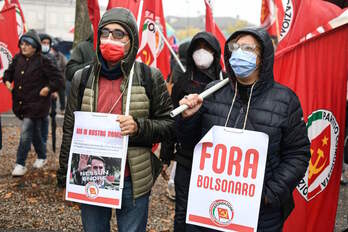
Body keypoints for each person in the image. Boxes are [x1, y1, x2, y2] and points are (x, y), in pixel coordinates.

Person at [177, 27, 310, 231]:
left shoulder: (285, 100)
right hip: (209, 207)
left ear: (262, 57)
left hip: (260, 215)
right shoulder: (213, 92)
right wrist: (189, 119)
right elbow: (190, 144)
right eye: (235, 47)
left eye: (248, 48)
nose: (239, 53)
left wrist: (269, 194)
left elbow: (298, 154)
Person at [57, 7, 174, 232]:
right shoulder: (82, 77)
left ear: (132, 40)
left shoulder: (150, 76)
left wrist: (139, 127)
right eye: (105, 33)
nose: (110, 39)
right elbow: (70, 129)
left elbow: (169, 125)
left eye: (119, 34)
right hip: (90, 177)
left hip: (133, 179)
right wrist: (64, 177)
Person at [160, 31, 224, 231]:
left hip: (215, 162)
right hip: (187, 158)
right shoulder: (182, 84)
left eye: (207, 48)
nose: (202, 53)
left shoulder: (225, 83)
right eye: (198, 48)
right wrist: (166, 156)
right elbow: (171, 121)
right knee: (183, 211)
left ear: (216, 53)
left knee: (209, 212)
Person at [3, 29, 63, 176]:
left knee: (25, 132)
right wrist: (7, 81)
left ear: (35, 46)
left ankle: (20, 163)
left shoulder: (44, 61)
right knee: (35, 132)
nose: (23, 47)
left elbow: (58, 79)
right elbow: (8, 73)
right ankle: (42, 156)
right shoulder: (18, 58)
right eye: (22, 44)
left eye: (27, 44)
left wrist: (48, 88)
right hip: (21, 104)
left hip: (37, 105)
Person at [65, 31, 94, 98]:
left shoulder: (122, 49)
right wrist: (92, 64)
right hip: (84, 98)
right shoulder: (83, 47)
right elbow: (70, 72)